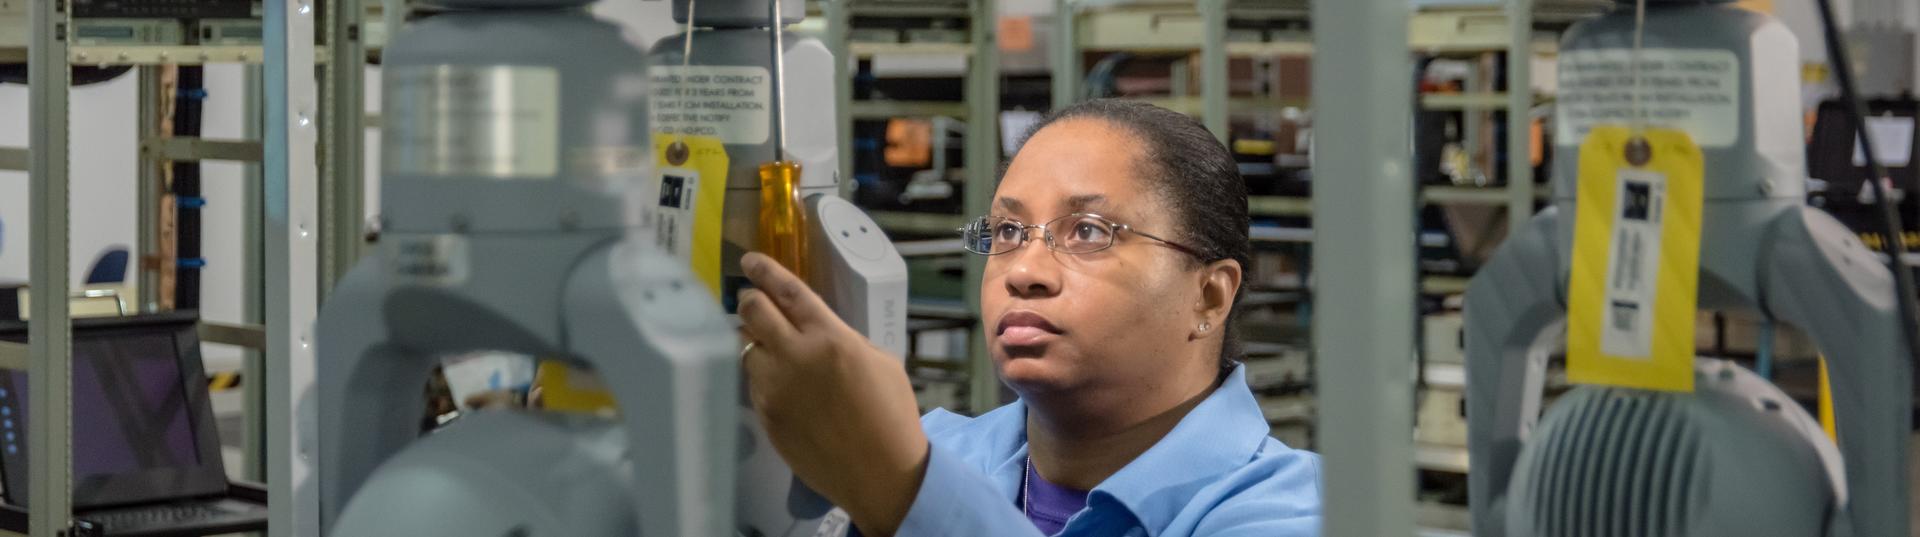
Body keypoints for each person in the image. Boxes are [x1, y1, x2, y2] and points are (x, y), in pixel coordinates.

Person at [735, 99, 1322, 537]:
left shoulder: (1301, 511)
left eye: (1088, 232)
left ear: (1210, 297)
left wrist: (900, 488)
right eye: (1009, 232)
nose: (1025, 271)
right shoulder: (934, 448)